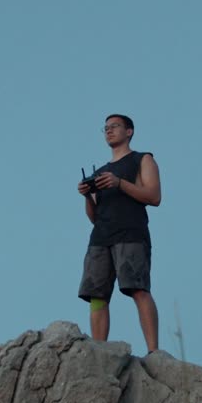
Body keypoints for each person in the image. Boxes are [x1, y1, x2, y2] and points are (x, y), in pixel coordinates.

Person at [76, 114, 161, 352]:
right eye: (105, 128)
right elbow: (94, 217)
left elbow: (154, 196)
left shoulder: (142, 159)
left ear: (129, 131)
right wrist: (86, 196)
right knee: (96, 296)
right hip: (100, 238)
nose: (109, 131)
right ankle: (99, 351)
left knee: (138, 288)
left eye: (114, 127)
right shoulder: (101, 171)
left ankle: (154, 352)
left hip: (131, 233)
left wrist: (119, 183)